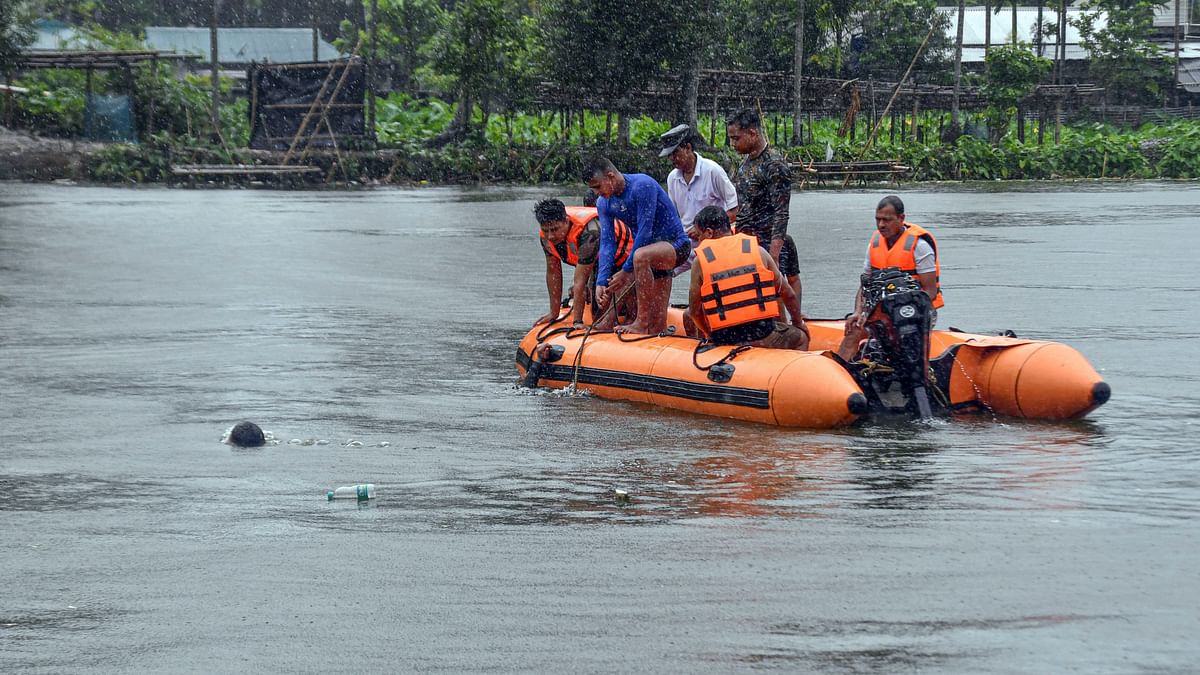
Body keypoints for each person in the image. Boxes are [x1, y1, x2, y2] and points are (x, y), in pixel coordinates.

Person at [585, 157, 692, 335]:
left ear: (610, 176)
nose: (597, 193)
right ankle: (617, 323)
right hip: (648, 256)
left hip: (675, 246)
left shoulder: (642, 185)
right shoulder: (604, 203)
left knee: (638, 257)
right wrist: (601, 281)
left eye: (597, 186)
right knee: (657, 326)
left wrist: (626, 271)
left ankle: (640, 323)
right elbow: (607, 243)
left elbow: (645, 231)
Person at [687, 206, 809, 350]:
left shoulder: (700, 262)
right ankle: (788, 369)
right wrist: (797, 323)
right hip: (762, 334)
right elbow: (788, 294)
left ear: (709, 232)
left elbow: (694, 311)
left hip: (725, 338)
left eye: (699, 236)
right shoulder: (758, 251)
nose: (699, 240)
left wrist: (709, 334)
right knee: (801, 338)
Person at [838, 195, 943, 359]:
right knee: (854, 328)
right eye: (878, 220)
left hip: (915, 313)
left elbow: (930, 292)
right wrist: (858, 312)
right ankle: (842, 370)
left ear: (901, 219)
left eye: (887, 220)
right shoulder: (874, 243)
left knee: (901, 333)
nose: (881, 225)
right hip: (882, 313)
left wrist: (899, 314)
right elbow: (865, 285)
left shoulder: (920, 246)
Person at [726, 109, 802, 320]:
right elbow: (741, 207)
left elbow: (781, 212)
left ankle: (789, 327)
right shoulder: (744, 165)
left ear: (752, 133)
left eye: (736, 138)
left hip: (769, 241)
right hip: (745, 242)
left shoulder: (774, 165)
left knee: (774, 294)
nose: (733, 145)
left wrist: (774, 252)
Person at [532, 198, 633, 327]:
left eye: (555, 229)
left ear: (566, 221)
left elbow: (580, 281)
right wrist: (554, 312)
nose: (551, 236)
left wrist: (577, 322)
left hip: (626, 257)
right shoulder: (546, 238)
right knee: (597, 312)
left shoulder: (589, 232)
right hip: (598, 261)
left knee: (604, 316)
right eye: (546, 230)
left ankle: (631, 314)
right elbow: (553, 273)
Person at [660, 124, 738, 234]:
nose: (672, 158)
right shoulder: (672, 178)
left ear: (688, 148)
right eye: (669, 155)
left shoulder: (713, 171)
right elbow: (672, 216)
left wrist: (703, 229)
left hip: (714, 240)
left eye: (675, 152)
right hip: (686, 242)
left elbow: (734, 209)